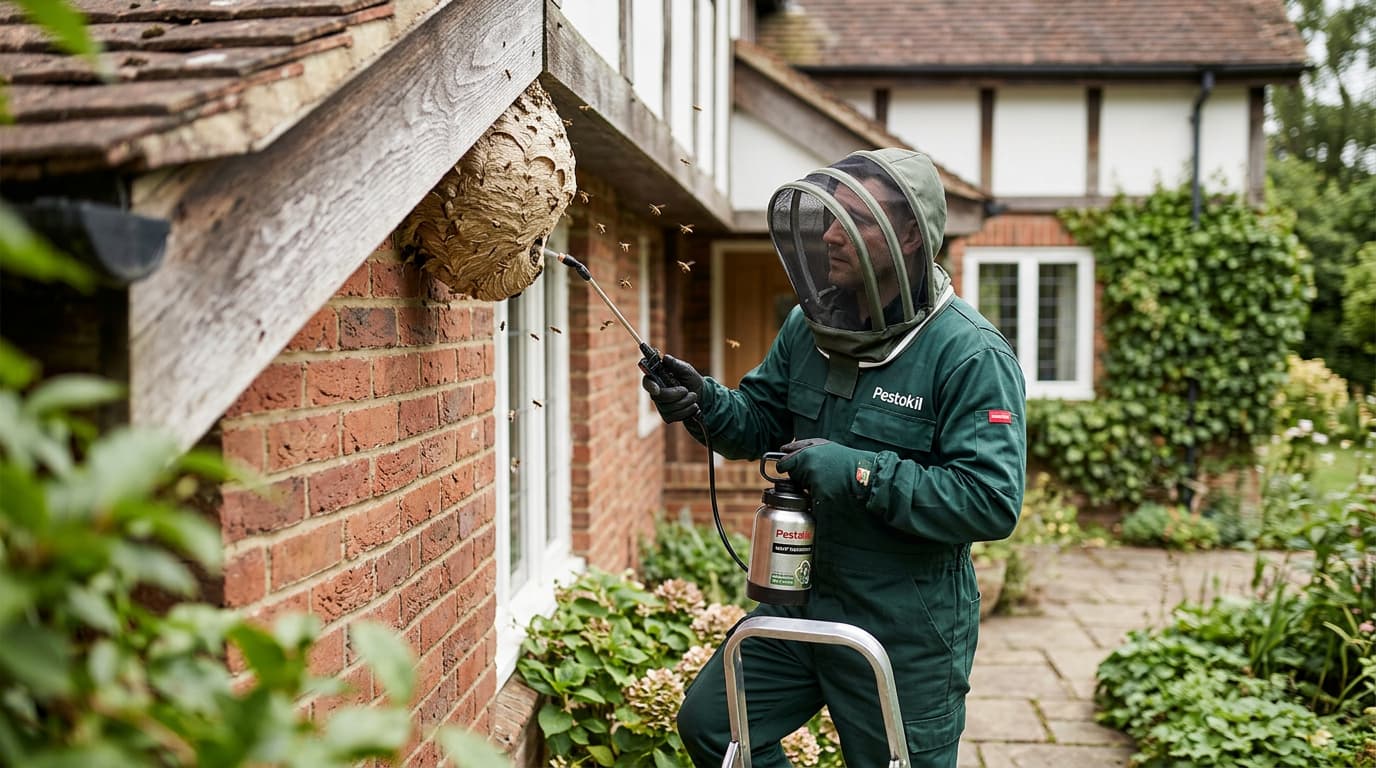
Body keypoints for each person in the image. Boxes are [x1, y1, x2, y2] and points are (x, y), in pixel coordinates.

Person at [643, 148, 1027, 768]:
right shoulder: (809, 327)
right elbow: (761, 423)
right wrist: (703, 404)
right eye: (827, 218)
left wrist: (857, 471)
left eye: (857, 220)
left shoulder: (969, 353)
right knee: (716, 728)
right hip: (799, 599)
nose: (829, 235)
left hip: (905, 624)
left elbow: (990, 501)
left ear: (909, 235)